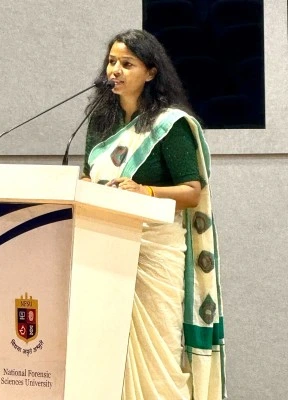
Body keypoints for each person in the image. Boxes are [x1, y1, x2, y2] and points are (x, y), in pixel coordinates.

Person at [82, 29, 226, 400]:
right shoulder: (101, 121)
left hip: (155, 252)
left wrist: (145, 191)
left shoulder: (170, 126)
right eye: (112, 62)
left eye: (127, 64)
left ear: (150, 72)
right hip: (103, 247)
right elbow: (87, 177)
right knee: (105, 353)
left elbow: (191, 192)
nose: (115, 70)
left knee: (157, 354)